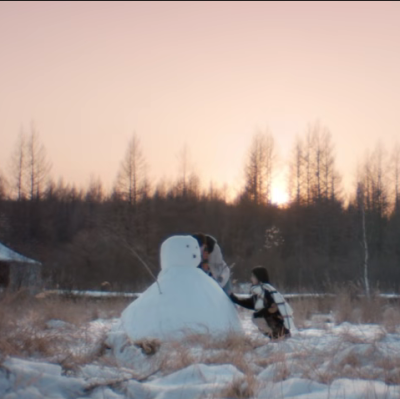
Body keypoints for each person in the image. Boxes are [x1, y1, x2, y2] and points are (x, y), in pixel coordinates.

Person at [229, 266, 294, 339]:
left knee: (257, 318)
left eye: (253, 276)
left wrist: (259, 314)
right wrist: (234, 298)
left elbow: (272, 308)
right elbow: (251, 303)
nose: (251, 278)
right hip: (278, 327)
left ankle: (277, 336)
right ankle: (276, 337)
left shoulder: (266, 291)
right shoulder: (262, 290)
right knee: (257, 318)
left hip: (278, 327)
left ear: (259, 277)